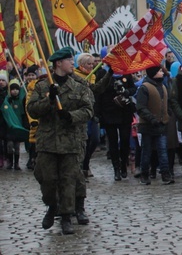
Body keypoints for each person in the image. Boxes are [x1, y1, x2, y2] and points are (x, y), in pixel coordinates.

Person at [27, 47, 94, 235]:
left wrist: (70, 116)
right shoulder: (42, 86)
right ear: (58, 63)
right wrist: (49, 100)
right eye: (69, 60)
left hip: (70, 141)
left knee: (69, 180)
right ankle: (51, 205)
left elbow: (88, 110)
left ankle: (66, 217)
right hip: (47, 141)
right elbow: (32, 110)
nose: (72, 63)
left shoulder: (78, 86)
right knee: (46, 179)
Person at [93, 64, 136, 181]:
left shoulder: (125, 72)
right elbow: (98, 93)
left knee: (125, 139)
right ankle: (116, 167)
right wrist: (97, 113)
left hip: (124, 112)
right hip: (108, 112)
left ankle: (123, 164)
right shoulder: (103, 73)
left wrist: (126, 91)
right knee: (112, 141)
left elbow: (133, 88)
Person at [136, 65, 174, 185]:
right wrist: (152, 119)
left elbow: (165, 103)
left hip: (161, 124)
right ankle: (145, 174)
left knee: (162, 150)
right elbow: (141, 107)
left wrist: (168, 112)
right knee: (146, 151)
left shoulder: (162, 86)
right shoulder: (145, 87)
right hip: (148, 125)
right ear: (153, 73)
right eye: (159, 71)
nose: (162, 73)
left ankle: (165, 174)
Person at [2, 79, 29, 170]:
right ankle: (10, 162)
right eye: (12, 89)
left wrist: (25, 124)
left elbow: (23, 113)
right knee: (9, 145)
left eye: (17, 89)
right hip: (10, 127)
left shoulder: (21, 101)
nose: (15, 91)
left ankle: (16, 163)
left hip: (19, 126)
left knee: (17, 146)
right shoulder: (7, 100)